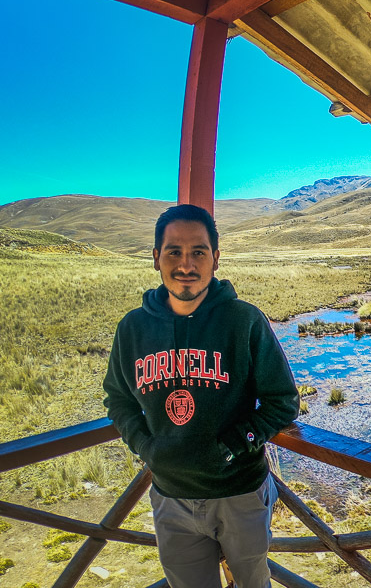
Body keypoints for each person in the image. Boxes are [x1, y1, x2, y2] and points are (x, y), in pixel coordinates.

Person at [103, 204, 299, 588]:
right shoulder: (133, 328)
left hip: (240, 493)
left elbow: (283, 401)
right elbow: (118, 399)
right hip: (170, 496)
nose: (186, 264)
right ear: (156, 257)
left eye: (199, 251)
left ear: (216, 259)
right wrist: (145, 445)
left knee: (252, 583)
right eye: (174, 251)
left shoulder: (244, 321)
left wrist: (233, 445)